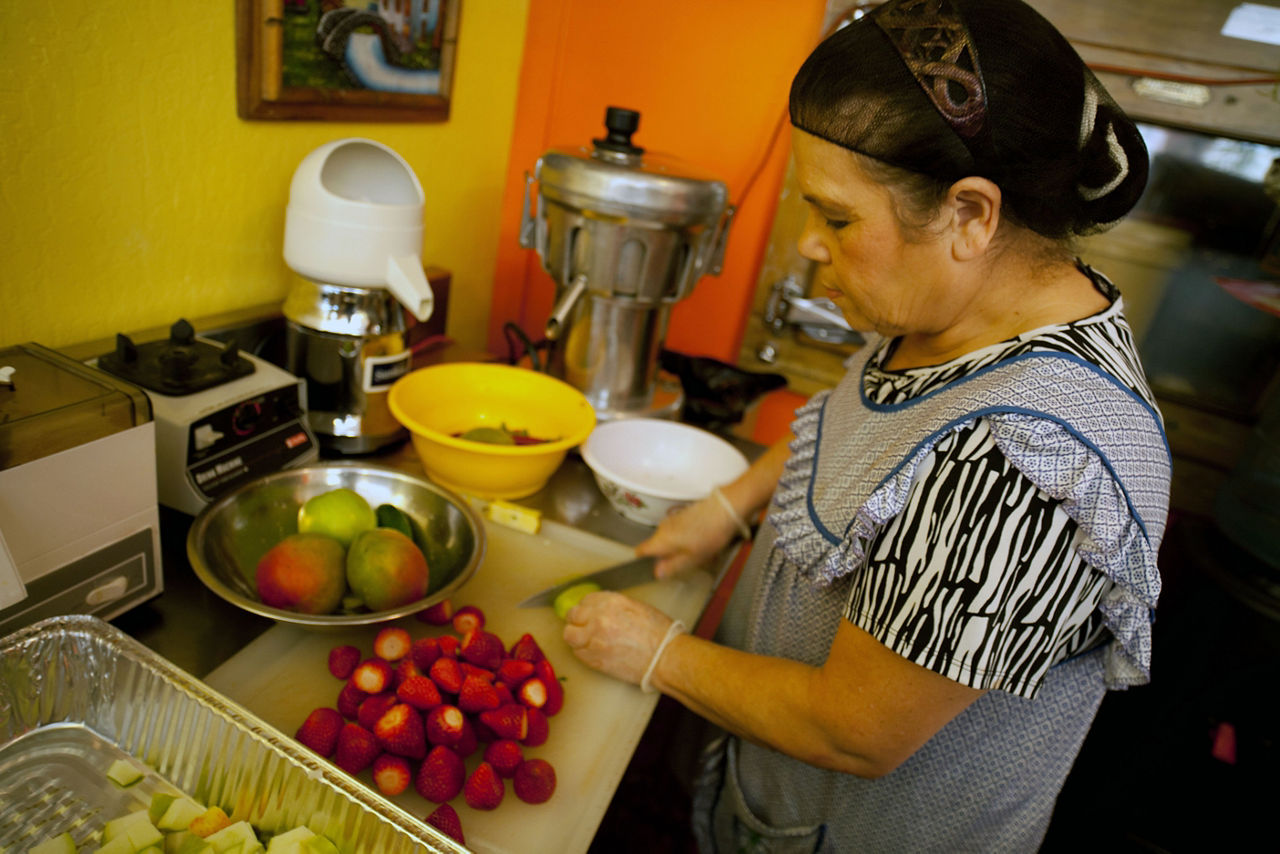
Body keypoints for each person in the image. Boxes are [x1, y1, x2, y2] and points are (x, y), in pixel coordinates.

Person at [562, 0, 1172, 849]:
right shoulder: (974, 305)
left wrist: (657, 654)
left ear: (970, 215)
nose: (811, 246)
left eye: (836, 218)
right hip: (771, 793)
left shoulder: (1020, 470)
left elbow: (854, 729)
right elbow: (859, 415)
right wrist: (733, 503)